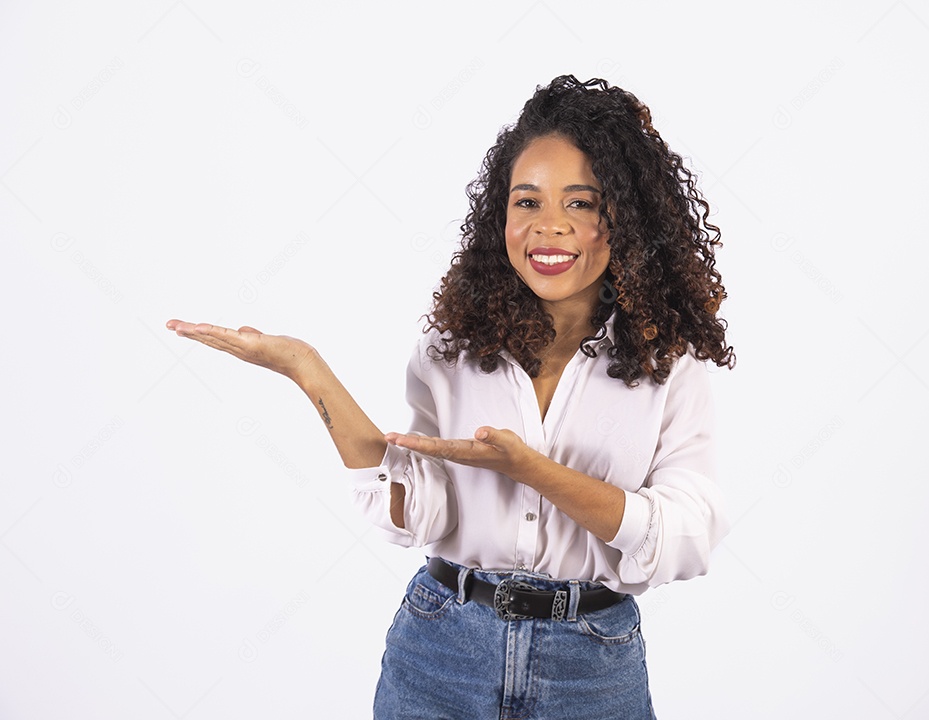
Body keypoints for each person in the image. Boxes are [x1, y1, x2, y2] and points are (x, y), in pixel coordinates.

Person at [166, 74, 735, 719]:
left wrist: (534, 473)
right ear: (502, 215)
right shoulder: (452, 346)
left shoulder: (669, 365)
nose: (549, 228)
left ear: (625, 217)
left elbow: (686, 536)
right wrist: (307, 371)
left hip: (591, 666)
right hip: (441, 648)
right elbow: (422, 515)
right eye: (528, 202)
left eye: (581, 203)